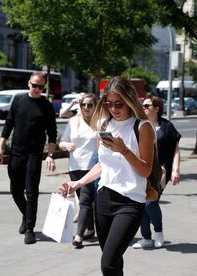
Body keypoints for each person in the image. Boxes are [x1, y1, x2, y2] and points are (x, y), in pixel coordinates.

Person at [60, 76, 155, 275]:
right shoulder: (105, 127)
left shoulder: (142, 127)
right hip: (104, 199)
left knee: (108, 262)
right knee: (113, 262)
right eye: (109, 104)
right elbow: (102, 165)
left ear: (129, 100)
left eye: (119, 104)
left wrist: (124, 150)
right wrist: (78, 183)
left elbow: (145, 170)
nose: (113, 108)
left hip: (130, 202)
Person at [0, 71, 57, 245]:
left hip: (34, 154)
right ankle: (26, 214)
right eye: (35, 85)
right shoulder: (18, 100)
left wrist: (50, 155)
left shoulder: (46, 106)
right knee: (15, 190)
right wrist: (0, 148)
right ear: (28, 84)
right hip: (16, 152)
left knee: (31, 192)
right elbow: (8, 125)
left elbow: (52, 133)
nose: (37, 89)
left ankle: (29, 228)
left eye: (41, 86)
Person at [132, 95, 181, 249]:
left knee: (150, 202)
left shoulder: (167, 127)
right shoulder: (139, 124)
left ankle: (158, 233)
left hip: (161, 172)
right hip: (140, 169)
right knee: (140, 203)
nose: (144, 108)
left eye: (147, 106)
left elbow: (175, 151)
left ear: (157, 108)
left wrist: (175, 170)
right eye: (143, 105)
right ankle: (146, 237)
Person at [59, 93, 98, 249]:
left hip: (92, 167)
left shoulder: (100, 122)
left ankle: (79, 236)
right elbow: (61, 142)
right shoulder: (73, 121)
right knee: (83, 199)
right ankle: (90, 228)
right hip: (75, 167)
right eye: (83, 105)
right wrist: (66, 146)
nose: (86, 108)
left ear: (95, 106)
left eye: (90, 105)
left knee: (85, 201)